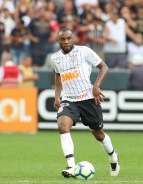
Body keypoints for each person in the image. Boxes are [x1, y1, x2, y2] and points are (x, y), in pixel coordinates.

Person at [50, 28, 120, 178]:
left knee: (99, 134)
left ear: (73, 38)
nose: (66, 41)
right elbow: (58, 76)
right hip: (69, 100)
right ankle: (71, 166)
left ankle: (113, 156)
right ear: (58, 41)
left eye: (69, 38)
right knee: (62, 126)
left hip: (88, 98)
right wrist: (57, 96)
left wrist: (96, 86)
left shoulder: (84, 51)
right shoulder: (55, 58)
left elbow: (104, 67)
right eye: (63, 39)